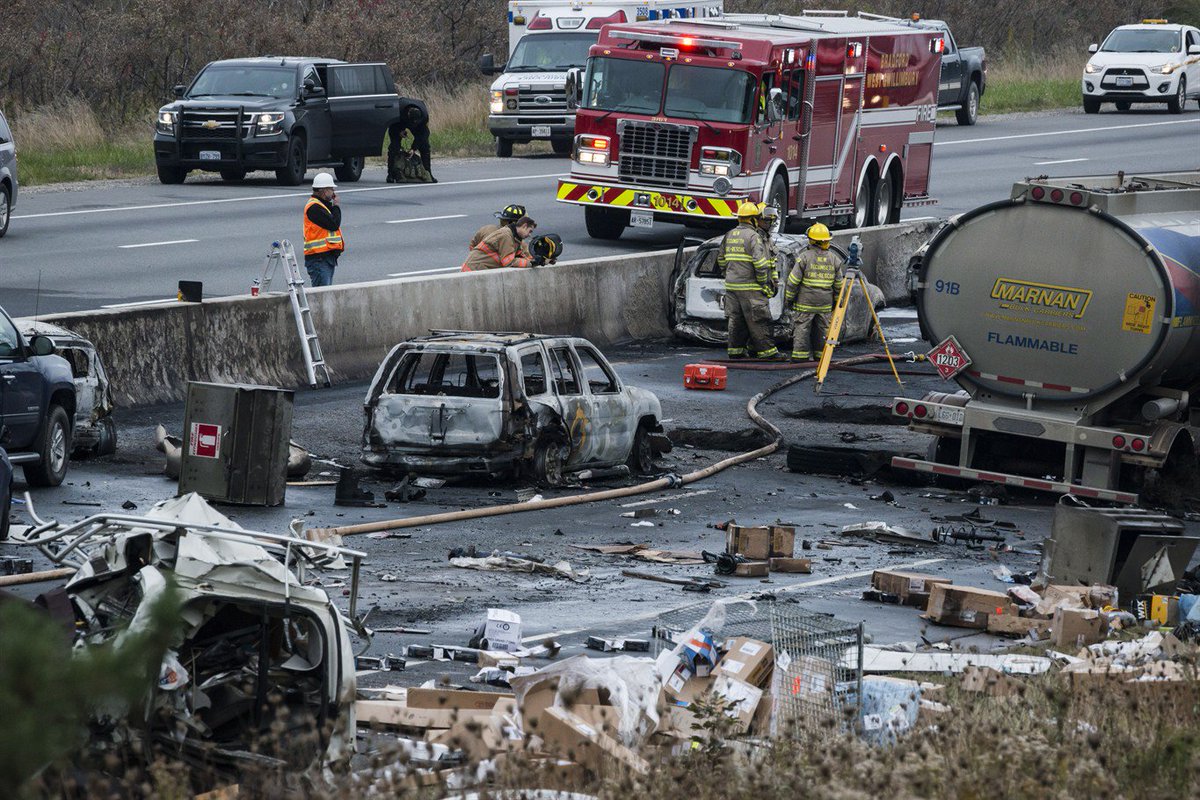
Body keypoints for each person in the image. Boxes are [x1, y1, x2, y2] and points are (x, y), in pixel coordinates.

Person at [719, 202, 782, 360]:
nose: (769, 223)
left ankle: (736, 351)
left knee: (737, 320)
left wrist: (728, 275)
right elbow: (760, 264)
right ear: (754, 219)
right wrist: (764, 284)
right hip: (751, 287)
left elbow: (721, 259)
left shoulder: (730, 234)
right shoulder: (754, 236)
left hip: (732, 286)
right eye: (766, 220)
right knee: (759, 319)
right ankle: (768, 353)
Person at [785, 222, 846, 362]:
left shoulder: (804, 257)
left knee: (802, 328)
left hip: (805, 303)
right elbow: (838, 285)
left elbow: (793, 281)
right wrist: (838, 302)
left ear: (811, 240)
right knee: (822, 330)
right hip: (825, 304)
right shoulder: (834, 260)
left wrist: (789, 299)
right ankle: (821, 356)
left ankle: (800, 357)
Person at [303, 173, 343, 287]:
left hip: (324, 258)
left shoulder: (322, 205)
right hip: (319, 259)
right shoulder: (314, 207)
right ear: (324, 191)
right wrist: (336, 206)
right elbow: (334, 224)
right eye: (331, 189)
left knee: (325, 295)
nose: (334, 192)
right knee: (321, 298)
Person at [462, 216, 541, 271]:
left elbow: (521, 255)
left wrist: (538, 261)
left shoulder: (515, 238)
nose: (530, 234)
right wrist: (531, 263)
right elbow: (509, 262)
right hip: (474, 270)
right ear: (524, 226)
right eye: (530, 231)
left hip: (479, 269)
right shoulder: (506, 235)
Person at [387, 98, 435, 183]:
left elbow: (423, 135)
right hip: (398, 123)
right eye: (413, 122)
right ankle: (391, 174)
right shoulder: (398, 111)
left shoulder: (424, 116)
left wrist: (414, 148)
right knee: (394, 147)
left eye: (416, 122)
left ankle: (428, 172)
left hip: (418, 125)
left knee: (425, 146)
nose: (414, 123)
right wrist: (399, 132)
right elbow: (392, 127)